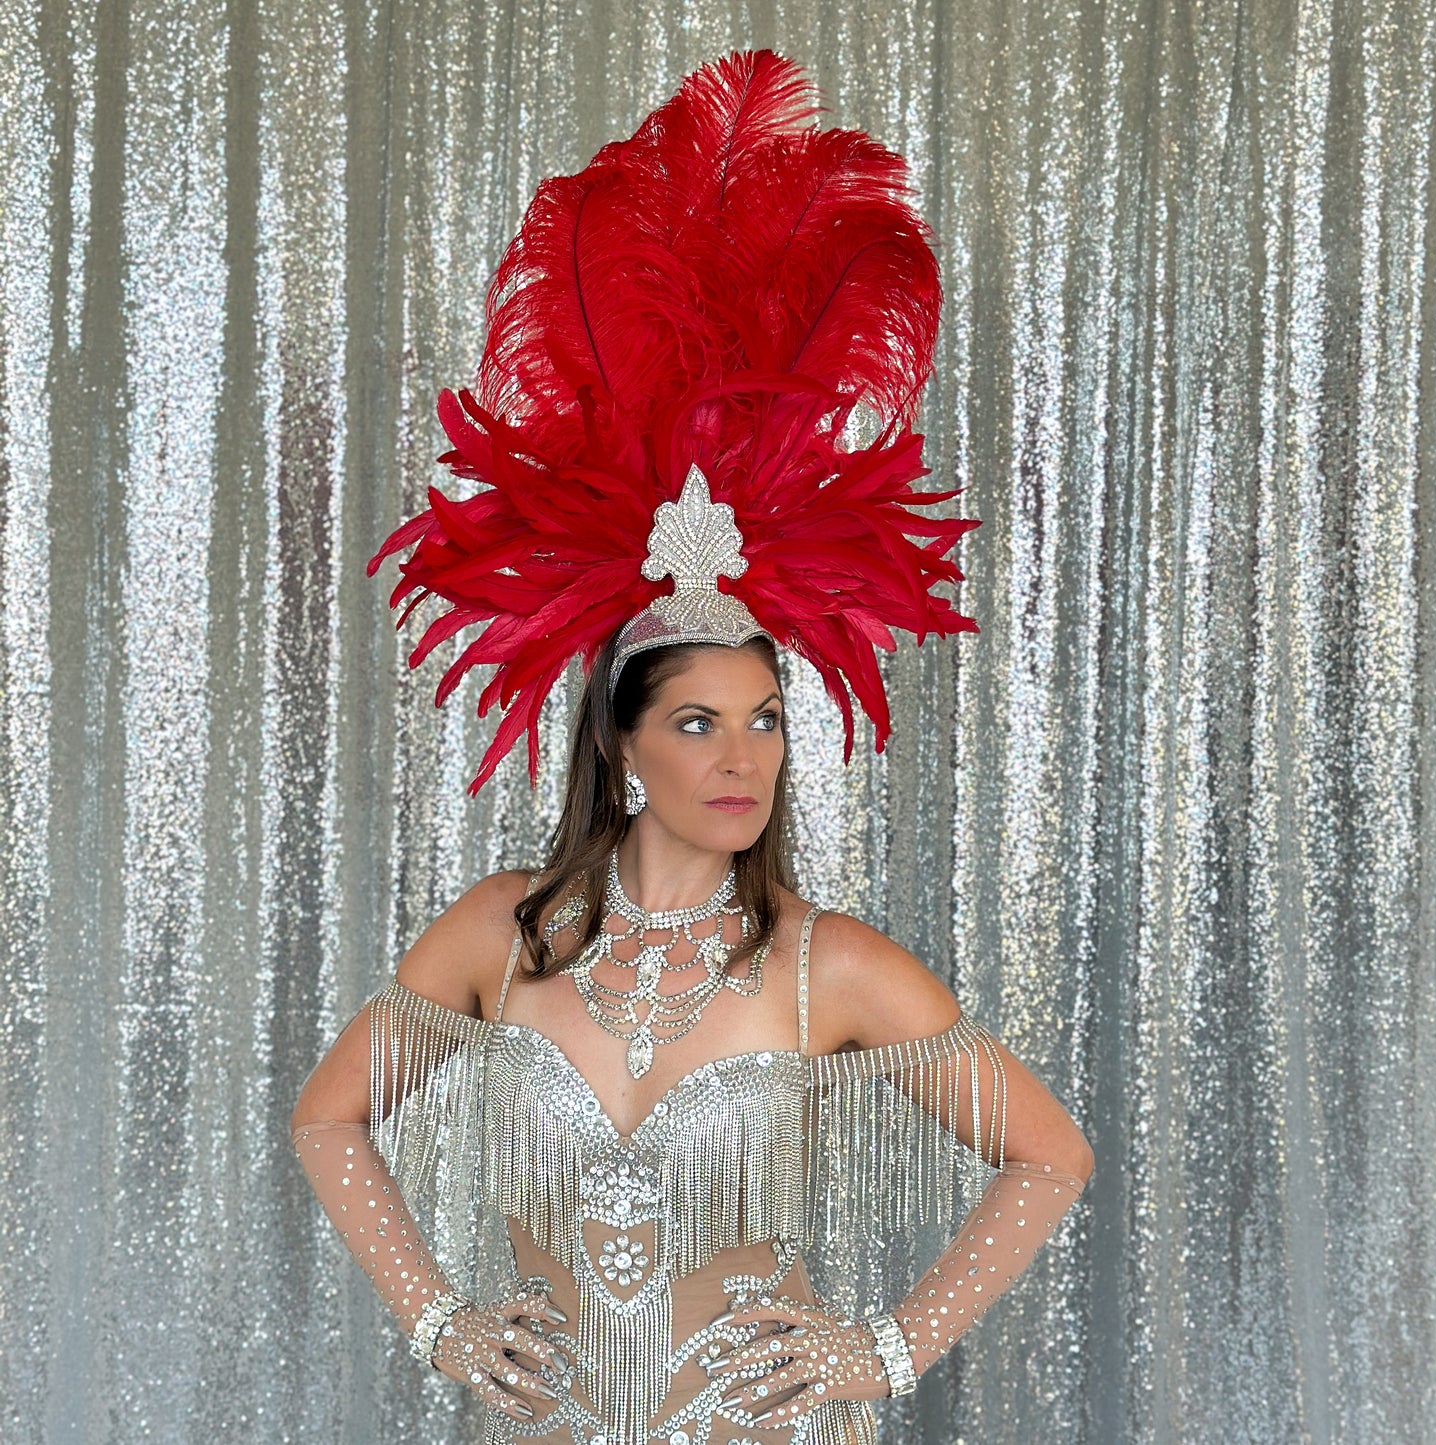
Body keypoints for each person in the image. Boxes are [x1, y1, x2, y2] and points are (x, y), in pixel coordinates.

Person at [290, 50, 1092, 1445]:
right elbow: (326, 1121)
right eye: (699, 722)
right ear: (619, 747)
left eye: (768, 720)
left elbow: (1046, 1152)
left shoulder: (821, 961)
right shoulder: (505, 933)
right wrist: (440, 1319)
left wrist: (885, 1351)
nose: (745, 759)